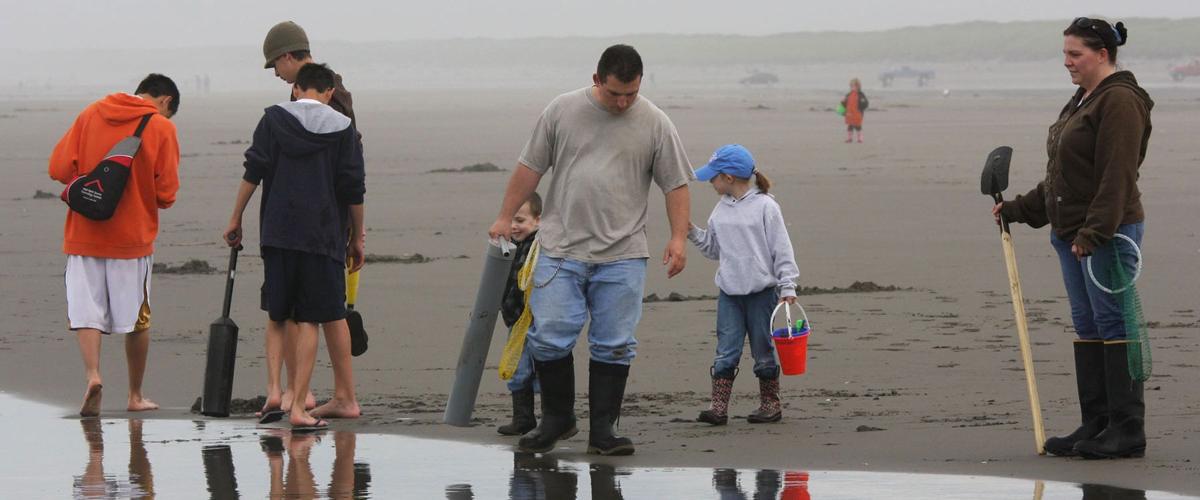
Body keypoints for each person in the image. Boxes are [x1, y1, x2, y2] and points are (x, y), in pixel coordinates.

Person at [487, 44, 694, 456]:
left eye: (631, 94)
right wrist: (504, 215)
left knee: (615, 343)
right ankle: (557, 419)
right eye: (615, 93)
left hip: (623, 254)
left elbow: (676, 183)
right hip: (560, 250)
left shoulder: (655, 122)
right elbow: (530, 168)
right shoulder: (562, 110)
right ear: (597, 79)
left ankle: (604, 431)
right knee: (548, 338)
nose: (622, 103)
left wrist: (678, 237)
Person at [992, 18, 1151, 459]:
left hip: (1108, 233)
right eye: (1065, 54)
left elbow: (1115, 177)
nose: (1068, 62)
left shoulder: (1119, 100)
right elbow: (1064, 176)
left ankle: (1127, 429)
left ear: (1102, 54)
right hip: (1071, 233)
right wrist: (1020, 210)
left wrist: (1095, 233)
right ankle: (1097, 424)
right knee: (1088, 326)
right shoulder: (1085, 98)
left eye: (1075, 54)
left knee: (1114, 324)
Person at [224, 62, 366, 431]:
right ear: (330, 92)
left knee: (277, 314)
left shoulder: (273, 120)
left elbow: (252, 171)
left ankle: (275, 390)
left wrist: (235, 217)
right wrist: (358, 236)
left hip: (278, 231)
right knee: (309, 320)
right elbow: (353, 188)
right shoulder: (343, 128)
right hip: (321, 236)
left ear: (297, 89)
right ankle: (300, 405)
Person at [48, 73, 181, 417]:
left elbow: (58, 168)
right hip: (132, 240)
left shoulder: (91, 113)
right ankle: (135, 394)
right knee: (137, 320)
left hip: (84, 235)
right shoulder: (162, 128)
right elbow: (166, 195)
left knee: (86, 312)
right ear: (165, 101)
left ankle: (93, 376)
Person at [259, 20, 363, 421]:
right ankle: (317, 393)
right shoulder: (331, 89)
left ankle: (312, 394)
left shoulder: (325, 95)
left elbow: (347, 164)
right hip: (324, 220)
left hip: (313, 222)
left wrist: (355, 230)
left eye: (275, 67)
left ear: (289, 58)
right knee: (325, 310)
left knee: (304, 311)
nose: (277, 75)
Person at [688, 145, 799, 426]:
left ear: (728, 177)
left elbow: (781, 250)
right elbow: (714, 250)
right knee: (726, 349)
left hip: (762, 292)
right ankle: (718, 408)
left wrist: (788, 286)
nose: (710, 182)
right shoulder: (719, 209)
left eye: (713, 176)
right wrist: (689, 231)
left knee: (763, 349)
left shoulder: (766, 206)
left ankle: (770, 404)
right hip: (729, 292)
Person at [497, 193, 543, 436]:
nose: (514, 226)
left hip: (535, 320)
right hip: (515, 320)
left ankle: (550, 419)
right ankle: (523, 418)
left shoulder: (540, 247)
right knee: (518, 369)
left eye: (521, 220)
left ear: (538, 221)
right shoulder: (508, 247)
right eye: (510, 219)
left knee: (543, 368)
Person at [841, 78, 868, 143]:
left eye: (854, 86)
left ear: (858, 86)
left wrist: (862, 104)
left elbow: (866, 103)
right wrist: (842, 103)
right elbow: (845, 103)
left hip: (857, 113)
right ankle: (849, 138)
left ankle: (860, 138)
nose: (852, 87)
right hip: (849, 113)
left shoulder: (861, 94)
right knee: (850, 125)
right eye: (851, 86)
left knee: (858, 126)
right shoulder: (848, 94)